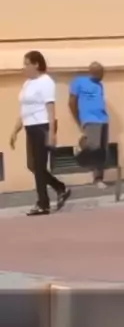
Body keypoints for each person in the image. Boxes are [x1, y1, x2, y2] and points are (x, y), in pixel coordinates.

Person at [10, 51, 71, 216]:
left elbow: (50, 109)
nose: (24, 67)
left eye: (27, 64)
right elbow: (25, 109)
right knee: (32, 165)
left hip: (42, 126)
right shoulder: (27, 84)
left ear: (36, 64)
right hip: (30, 126)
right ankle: (60, 187)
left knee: (38, 166)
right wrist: (15, 130)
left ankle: (43, 203)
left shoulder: (46, 82)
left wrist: (51, 133)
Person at [69, 61, 109, 188]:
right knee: (94, 147)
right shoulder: (78, 82)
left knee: (102, 151)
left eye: (102, 73)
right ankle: (81, 147)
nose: (102, 76)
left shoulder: (100, 85)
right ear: (93, 72)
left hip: (103, 119)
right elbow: (71, 102)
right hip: (90, 119)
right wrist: (78, 120)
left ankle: (99, 178)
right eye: (100, 73)